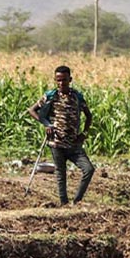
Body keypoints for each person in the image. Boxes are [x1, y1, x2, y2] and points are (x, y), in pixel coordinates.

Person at [28, 65, 94, 206]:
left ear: (70, 79)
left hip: (74, 143)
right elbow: (32, 110)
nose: (61, 83)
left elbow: (89, 116)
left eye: (64, 80)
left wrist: (84, 133)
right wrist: (46, 124)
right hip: (56, 142)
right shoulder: (50, 96)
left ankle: (77, 201)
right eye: (58, 80)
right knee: (60, 173)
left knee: (88, 169)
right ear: (55, 80)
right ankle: (64, 203)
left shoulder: (77, 97)